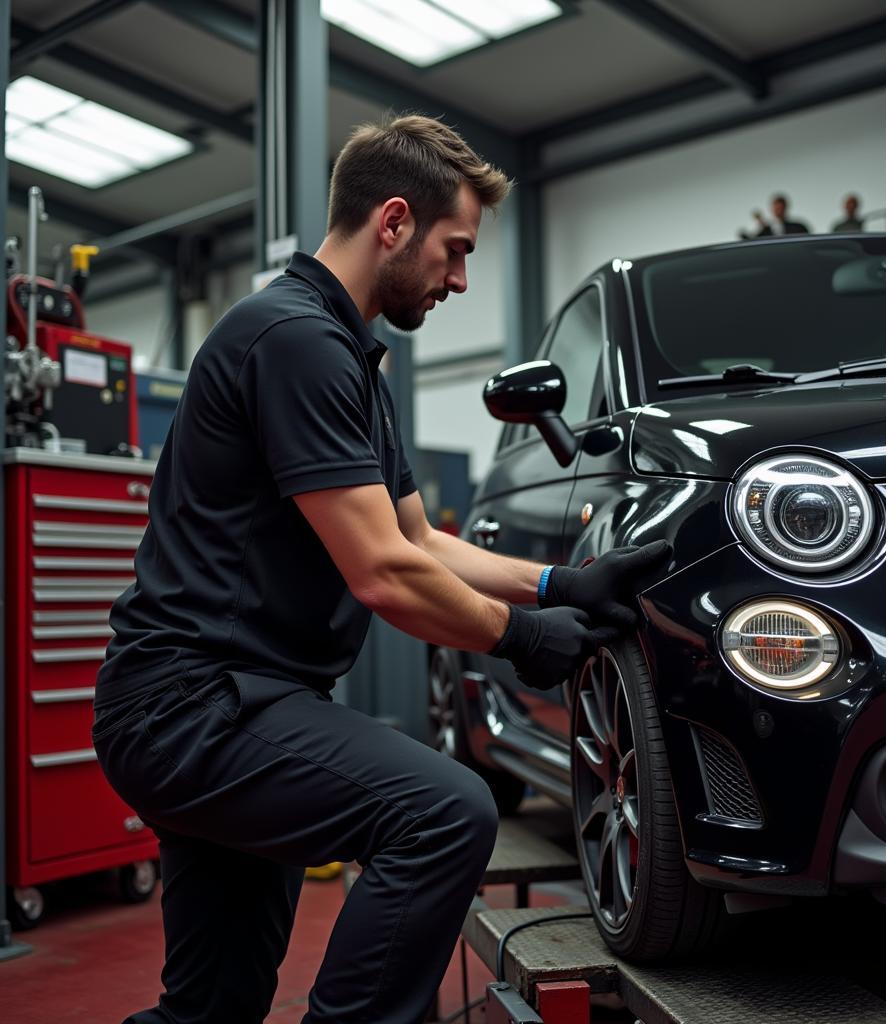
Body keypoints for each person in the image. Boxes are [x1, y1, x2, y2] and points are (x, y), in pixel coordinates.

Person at [91, 113, 671, 1024]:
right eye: (455, 249)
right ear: (393, 222)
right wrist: (522, 639)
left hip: (234, 702)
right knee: (445, 812)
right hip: (193, 706)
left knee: (212, 1006)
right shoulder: (293, 340)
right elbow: (382, 577)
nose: (460, 279)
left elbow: (420, 543)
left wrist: (558, 586)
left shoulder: (353, 360)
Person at [741, 192, 811, 237]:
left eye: (781, 208)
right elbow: (750, 239)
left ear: (786, 208)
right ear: (772, 209)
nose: (778, 211)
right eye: (776, 208)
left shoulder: (798, 228)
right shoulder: (765, 229)